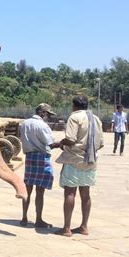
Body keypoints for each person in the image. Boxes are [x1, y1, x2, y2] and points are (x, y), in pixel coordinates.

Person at [55, 95, 104, 237]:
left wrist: (60, 143)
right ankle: (84, 226)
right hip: (90, 161)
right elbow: (100, 143)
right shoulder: (96, 119)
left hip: (74, 160)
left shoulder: (74, 117)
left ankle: (66, 228)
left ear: (74, 105)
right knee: (86, 194)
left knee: (70, 193)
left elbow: (70, 139)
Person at [19, 103, 60, 228]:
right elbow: (51, 144)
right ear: (43, 113)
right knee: (40, 191)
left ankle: (24, 218)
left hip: (30, 157)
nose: (48, 117)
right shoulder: (43, 125)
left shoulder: (24, 124)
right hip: (42, 157)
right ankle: (38, 219)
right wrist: (62, 144)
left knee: (28, 190)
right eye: (48, 114)